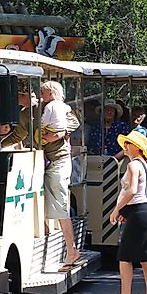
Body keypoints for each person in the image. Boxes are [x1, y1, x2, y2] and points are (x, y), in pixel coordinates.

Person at [106, 131, 147, 294]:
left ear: (136, 147)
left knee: (125, 256)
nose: (125, 147)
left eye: (128, 144)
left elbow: (131, 191)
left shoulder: (133, 166)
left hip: (138, 213)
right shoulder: (145, 165)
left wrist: (117, 209)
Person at [39, 80, 82, 271]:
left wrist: (54, 135)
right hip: (56, 160)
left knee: (60, 205)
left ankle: (71, 249)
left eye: (43, 92)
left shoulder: (53, 107)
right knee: (53, 202)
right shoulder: (62, 107)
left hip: (57, 161)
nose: (41, 96)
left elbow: (44, 129)